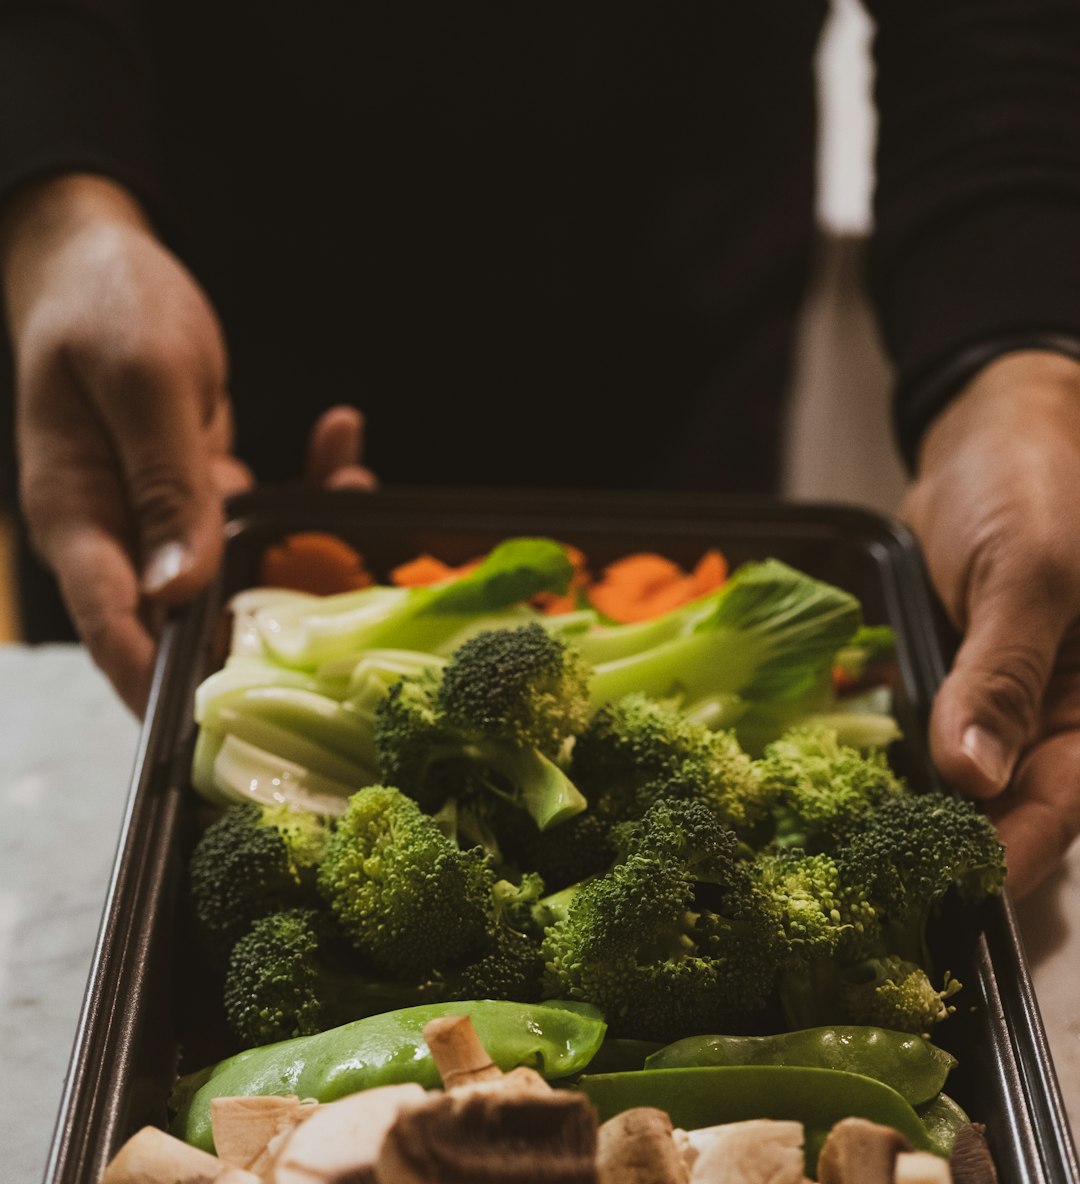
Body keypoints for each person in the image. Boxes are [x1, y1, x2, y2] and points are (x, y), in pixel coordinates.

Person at [2, 2, 1080, 898]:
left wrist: (1022, 365)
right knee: (177, 811)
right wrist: (57, 213)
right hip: (205, 332)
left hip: (665, 316)